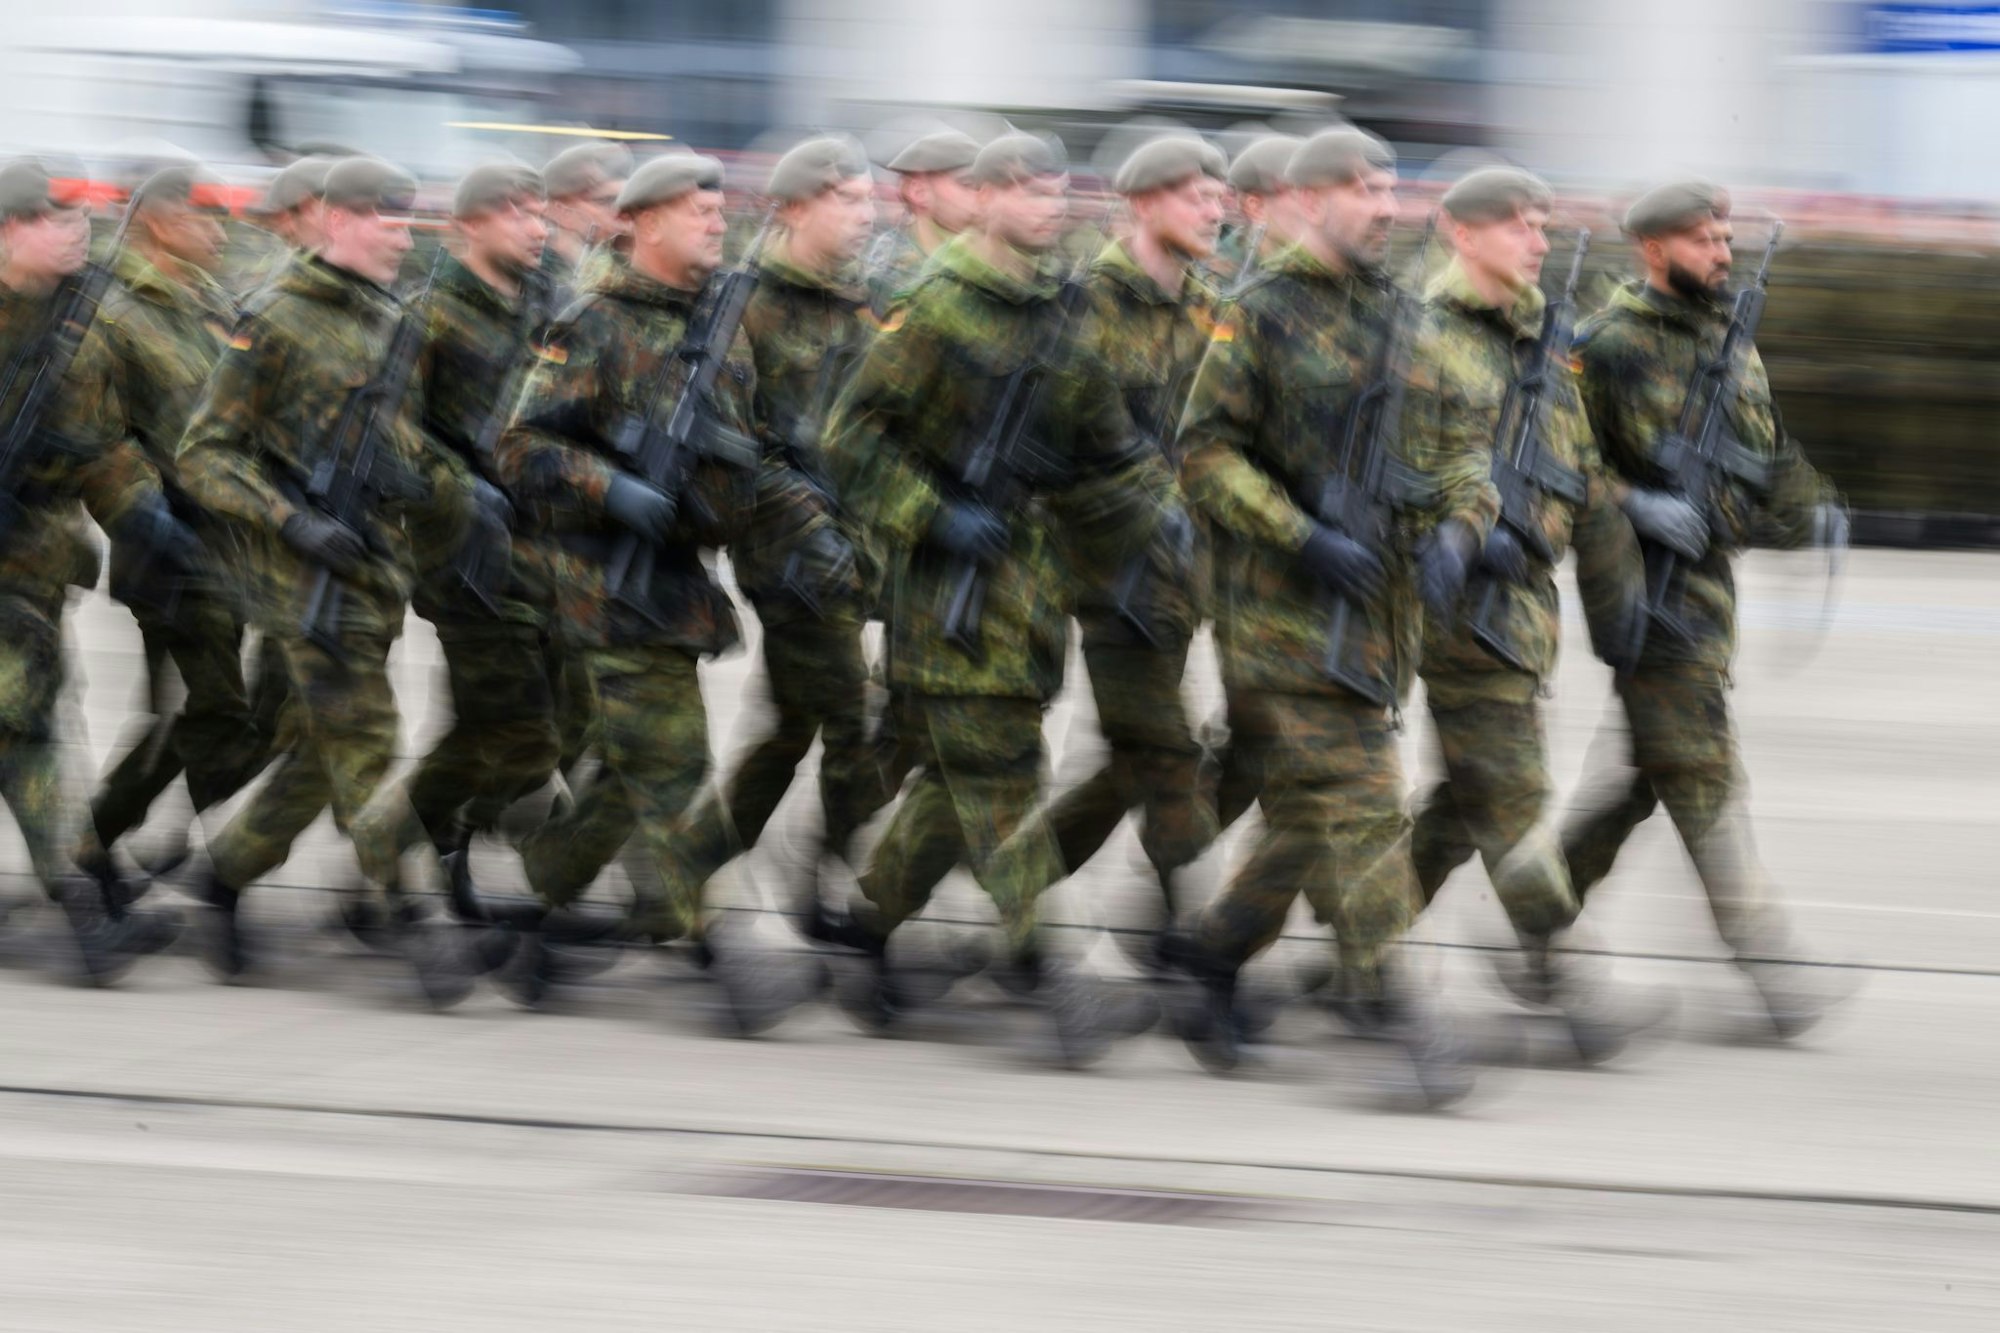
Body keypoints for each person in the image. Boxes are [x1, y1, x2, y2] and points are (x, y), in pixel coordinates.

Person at [817, 132, 1177, 1064]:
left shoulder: (1064, 309)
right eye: (1024, 187)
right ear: (981, 198)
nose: (1047, 202)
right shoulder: (934, 308)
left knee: (956, 788)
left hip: (1030, 587)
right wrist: (933, 515)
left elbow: (1106, 445)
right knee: (1003, 781)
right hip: (947, 590)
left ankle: (867, 923)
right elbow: (850, 439)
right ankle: (1057, 968)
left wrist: (1163, 512)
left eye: (1056, 186)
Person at [1166, 128, 1485, 1105]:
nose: (1385, 206)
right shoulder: (1255, 312)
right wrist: (1297, 531)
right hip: (1279, 615)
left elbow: (1460, 444)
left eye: (1391, 188)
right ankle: (1402, 1015)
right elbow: (1202, 452)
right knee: (1364, 803)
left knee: (1304, 818)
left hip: (1380, 615)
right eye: (1362, 189)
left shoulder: (1405, 315)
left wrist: (1462, 528)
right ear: (1308, 200)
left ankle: (1213, 959)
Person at [496, 152, 838, 1025]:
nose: (718, 223)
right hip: (603, 582)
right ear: (646, 221)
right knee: (676, 765)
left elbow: (750, 453)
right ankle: (735, 946)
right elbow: (523, 445)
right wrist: (610, 488)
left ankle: (538, 900)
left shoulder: (723, 322)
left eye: (721, 212)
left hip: (678, 579)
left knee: (626, 780)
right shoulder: (593, 322)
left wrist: (814, 531)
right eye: (697, 211)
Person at [1563, 179, 1854, 1038]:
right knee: (1703, 780)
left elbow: (1763, 451)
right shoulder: (1605, 346)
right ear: (1653, 249)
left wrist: (1816, 509)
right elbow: (1559, 462)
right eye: (1703, 240)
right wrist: (1633, 502)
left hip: (1706, 594)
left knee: (1641, 785)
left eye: (1726, 238)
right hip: (1645, 599)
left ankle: (1535, 913)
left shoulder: (1730, 335)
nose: (1722, 253)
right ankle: (1772, 966)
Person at [177, 156, 472, 998]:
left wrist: (431, 486)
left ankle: (222, 875)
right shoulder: (270, 319)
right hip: (308, 586)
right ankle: (420, 916)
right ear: (336, 219)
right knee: (371, 748)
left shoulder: (392, 318)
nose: (400, 233)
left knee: (318, 754)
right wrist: (290, 519)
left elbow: (405, 438)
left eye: (409, 220)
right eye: (385, 217)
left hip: (378, 575)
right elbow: (206, 455)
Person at [1401, 166, 1670, 1062]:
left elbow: (1582, 479)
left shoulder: (1540, 344)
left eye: (1544, 225)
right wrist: (1467, 539)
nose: (1540, 240)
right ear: (1460, 232)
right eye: (1519, 224)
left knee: (1461, 802)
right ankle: (1562, 973)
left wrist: (1616, 605)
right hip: (1454, 613)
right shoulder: (1419, 337)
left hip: (1522, 619)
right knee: (1513, 799)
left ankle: (1337, 940)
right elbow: (1395, 475)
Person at [656, 137, 884, 917]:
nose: (867, 215)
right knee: (857, 721)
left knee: (789, 727)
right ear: (793, 208)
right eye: (847, 201)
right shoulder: (741, 303)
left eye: (868, 199)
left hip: (854, 546)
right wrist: (812, 523)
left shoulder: (859, 301)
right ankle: (824, 873)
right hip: (789, 553)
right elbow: (730, 442)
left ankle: (690, 870)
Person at [345, 163, 563, 963]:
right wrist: (459, 486)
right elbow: (387, 429)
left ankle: (426, 841)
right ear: (469, 226)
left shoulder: (544, 306)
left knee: (494, 728)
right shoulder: (428, 313)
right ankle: (393, 839)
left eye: (540, 211)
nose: (536, 225)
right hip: (465, 559)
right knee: (519, 730)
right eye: (516, 211)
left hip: (544, 552)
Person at [1024, 133, 1226, 955]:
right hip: (1109, 575)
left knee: (1128, 762)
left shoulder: (1209, 307)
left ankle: (1014, 880)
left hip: (1186, 574)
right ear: (1143, 203)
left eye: (1219, 196)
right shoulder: (1085, 304)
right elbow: (1066, 448)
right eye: (1193, 195)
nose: (1215, 208)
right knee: (1166, 754)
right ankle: (1188, 939)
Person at [0, 158, 195, 981]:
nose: (74, 225)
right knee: (28, 722)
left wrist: (148, 515)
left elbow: (99, 447)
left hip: (30, 567)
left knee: (34, 719)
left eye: (79, 213)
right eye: (52, 215)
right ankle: (86, 905)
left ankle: (89, 894)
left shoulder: (76, 325)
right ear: (8, 231)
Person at [70, 163, 281, 904]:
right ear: (161, 220)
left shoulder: (207, 298)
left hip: (236, 543)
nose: (221, 230)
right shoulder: (113, 310)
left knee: (222, 709)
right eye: (204, 216)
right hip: (168, 551)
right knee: (213, 712)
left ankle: (113, 841)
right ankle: (99, 841)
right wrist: (152, 519)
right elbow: (98, 438)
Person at [864, 128, 981, 318]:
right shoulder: (889, 274)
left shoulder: (983, 253)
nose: (981, 197)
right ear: (918, 192)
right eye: (968, 185)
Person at [538, 140, 632, 310]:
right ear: (560, 210)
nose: (623, 214)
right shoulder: (538, 281)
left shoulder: (622, 265)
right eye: (606, 201)